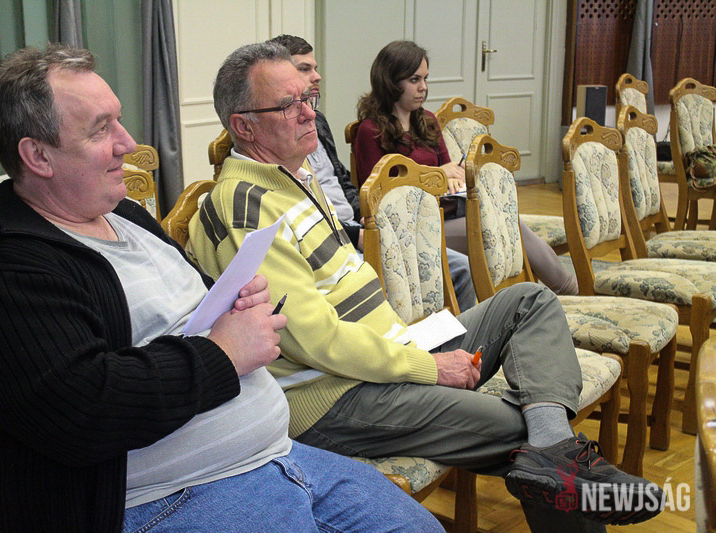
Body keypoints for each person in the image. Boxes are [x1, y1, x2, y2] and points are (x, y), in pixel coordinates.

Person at [0, 44, 445, 533]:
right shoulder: (2, 273)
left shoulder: (125, 216)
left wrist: (236, 305)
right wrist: (222, 353)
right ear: (38, 155)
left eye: (119, 120)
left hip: (277, 457)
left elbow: (193, 311)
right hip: (164, 499)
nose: (127, 143)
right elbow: (85, 409)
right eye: (101, 129)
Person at [188, 40, 664, 531]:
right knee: (525, 431)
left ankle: (553, 450)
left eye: (308, 99)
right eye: (289, 105)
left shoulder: (295, 177)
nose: (309, 113)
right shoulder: (246, 206)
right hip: (333, 396)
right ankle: (553, 454)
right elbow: (316, 340)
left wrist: (412, 352)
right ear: (244, 126)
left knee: (529, 301)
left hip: (384, 358)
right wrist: (428, 367)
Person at [269, 34, 476, 312]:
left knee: (462, 265)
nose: (317, 76)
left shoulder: (319, 121)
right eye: (305, 69)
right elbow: (300, 209)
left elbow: (343, 181)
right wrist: (360, 230)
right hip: (338, 236)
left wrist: (366, 218)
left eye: (315, 68)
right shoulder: (276, 137)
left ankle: (456, 335)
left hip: (365, 223)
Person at [354, 40, 579, 297]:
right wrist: (438, 176)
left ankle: (555, 293)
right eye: (414, 80)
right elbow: (377, 196)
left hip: (449, 211)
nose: (423, 87)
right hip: (412, 227)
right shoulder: (370, 130)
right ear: (391, 81)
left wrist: (451, 177)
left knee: (506, 222)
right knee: (502, 227)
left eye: (425, 79)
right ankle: (566, 292)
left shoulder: (427, 120)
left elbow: (451, 170)